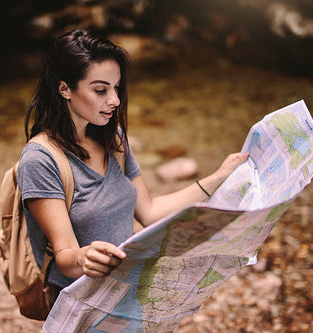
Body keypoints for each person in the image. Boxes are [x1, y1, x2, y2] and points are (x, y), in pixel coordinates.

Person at [17, 29, 248, 292]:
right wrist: (85, 257)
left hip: (129, 289)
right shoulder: (40, 160)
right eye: (100, 90)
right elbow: (66, 257)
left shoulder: (113, 139)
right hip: (84, 302)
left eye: (116, 87)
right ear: (64, 88)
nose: (114, 100)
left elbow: (149, 211)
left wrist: (219, 177)